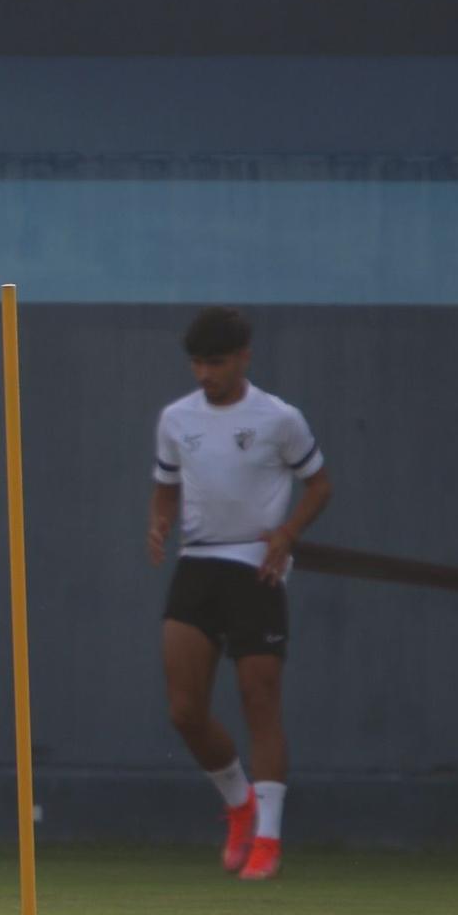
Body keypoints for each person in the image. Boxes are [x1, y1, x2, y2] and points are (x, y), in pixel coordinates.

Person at [147, 307, 332, 881]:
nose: (207, 373)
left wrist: (288, 532)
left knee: (260, 698)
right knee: (184, 709)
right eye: (199, 363)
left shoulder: (279, 418)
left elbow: (319, 483)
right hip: (198, 565)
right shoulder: (177, 419)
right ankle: (239, 804)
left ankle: (269, 839)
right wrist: (158, 521)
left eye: (217, 362)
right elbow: (165, 488)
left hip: (257, 568)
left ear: (243, 358)